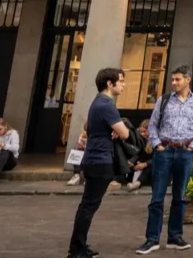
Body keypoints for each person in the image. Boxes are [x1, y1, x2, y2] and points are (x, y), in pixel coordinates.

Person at [136, 64, 193, 254]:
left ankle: (175, 236)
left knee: (180, 196)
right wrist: (157, 145)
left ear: (187, 80)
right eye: (173, 79)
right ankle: (152, 239)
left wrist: (192, 147)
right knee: (157, 197)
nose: (173, 83)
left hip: (185, 152)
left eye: (177, 79)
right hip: (165, 151)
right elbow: (153, 125)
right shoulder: (164, 100)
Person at [68, 67, 129, 258]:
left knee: (87, 205)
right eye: (121, 81)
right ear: (110, 84)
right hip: (100, 160)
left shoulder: (97, 102)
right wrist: (119, 129)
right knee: (89, 206)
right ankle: (77, 249)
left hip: (94, 158)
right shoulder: (106, 105)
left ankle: (79, 245)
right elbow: (125, 133)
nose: (124, 85)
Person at [127, 120, 156, 191]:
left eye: (144, 131)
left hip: (151, 165)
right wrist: (132, 162)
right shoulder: (140, 140)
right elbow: (137, 153)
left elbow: (157, 158)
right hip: (140, 163)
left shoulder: (155, 141)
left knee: (149, 168)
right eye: (141, 132)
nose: (142, 134)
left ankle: (137, 183)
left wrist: (145, 164)